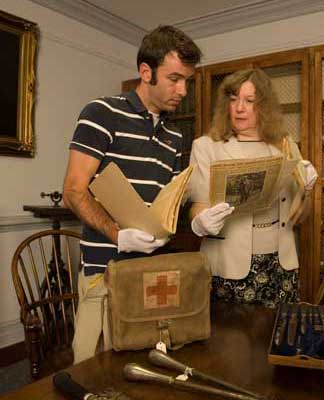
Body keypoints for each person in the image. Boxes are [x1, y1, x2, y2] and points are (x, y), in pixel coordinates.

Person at [63, 25, 202, 363]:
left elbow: (167, 202)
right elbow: (73, 190)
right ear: (145, 72)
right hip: (104, 271)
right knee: (91, 365)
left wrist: (190, 215)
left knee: (140, 365)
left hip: (150, 274)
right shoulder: (101, 114)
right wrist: (117, 235)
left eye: (187, 81)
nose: (183, 90)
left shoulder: (174, 135)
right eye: (174, 78)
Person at [188, 69, 317, 308]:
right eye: (234, 99)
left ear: (264, 107)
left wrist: (307, 191)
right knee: (229, 342)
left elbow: (299, 218)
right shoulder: (206, 147)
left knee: (277, 341)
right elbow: (197, 206)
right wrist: (201, 222)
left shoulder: (285, 146)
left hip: (281, 265)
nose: (239, 108)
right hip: (229, 265)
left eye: (249, 101)